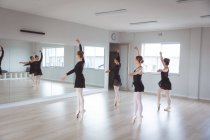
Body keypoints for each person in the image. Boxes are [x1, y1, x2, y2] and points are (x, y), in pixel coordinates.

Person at [61, 39, 85, 119]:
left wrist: (65, 75)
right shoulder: (82, 61)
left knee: (78, 95)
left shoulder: (79, 64)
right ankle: (82, 109)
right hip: (81, 79)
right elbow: (81, 51)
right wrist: (79, 44)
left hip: (79, 79)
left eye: (76, 54)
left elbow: (73, 70)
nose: (76, 55)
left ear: (79, 55)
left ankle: (79, 109)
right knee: (80, 95)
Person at [128, 47, 144, 124]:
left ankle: (140, 116)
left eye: (135, 59)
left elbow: (137, 72)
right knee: (135, 101)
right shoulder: (138, 66)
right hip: (137, 86)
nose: (134, 60)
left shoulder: (140, 68)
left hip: (139, 86)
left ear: (138, 61)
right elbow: (139, 57)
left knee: (138, 101)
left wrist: (131, 73)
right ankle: (135, 115)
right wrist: (137, 50)